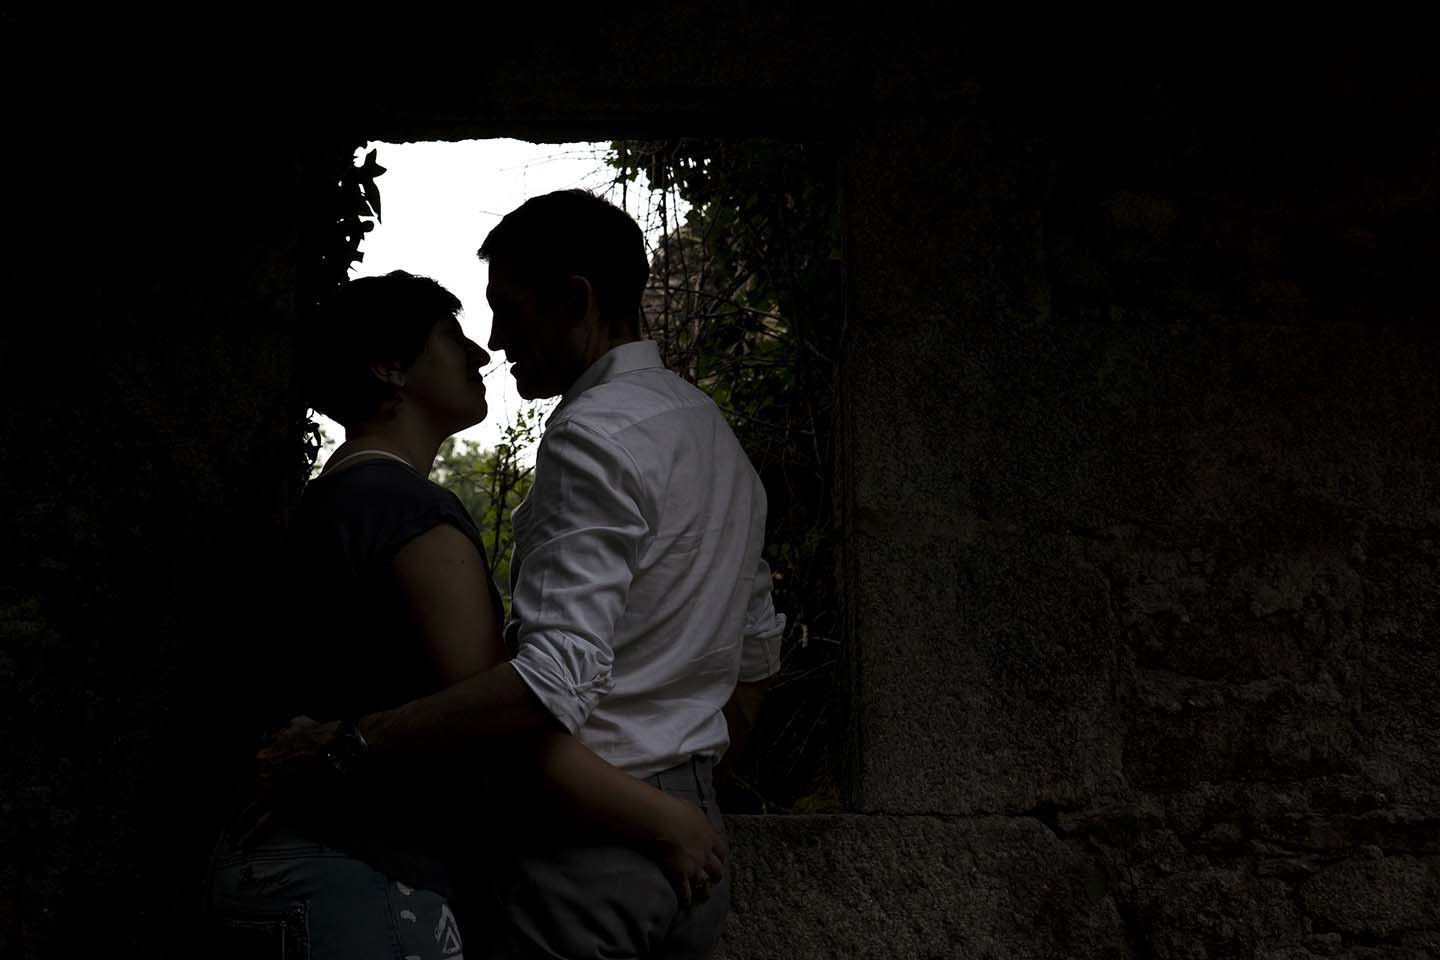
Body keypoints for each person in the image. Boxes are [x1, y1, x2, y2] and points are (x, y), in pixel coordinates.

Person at [260, 190, 786, 958]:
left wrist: (350, 742)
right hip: (690, 850)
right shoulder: (713, 435)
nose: (495, 342)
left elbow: (549, 681)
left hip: (586, 843)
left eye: (506, 310)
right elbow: (757, 655)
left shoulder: (592, 433)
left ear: (576, 300)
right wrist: (684, 790)